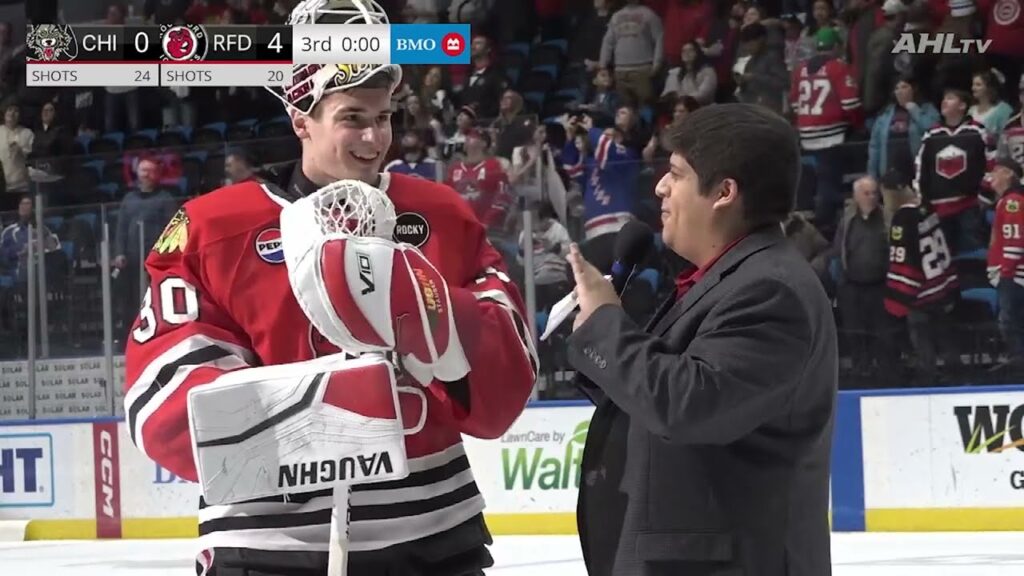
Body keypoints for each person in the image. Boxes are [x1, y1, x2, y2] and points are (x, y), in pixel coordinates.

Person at [122, 2, 538, 575]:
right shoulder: (211, 228)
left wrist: (430, 317)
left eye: (385, 116)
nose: (374, 138)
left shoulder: (440, 213)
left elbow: (505, 387)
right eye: (351, 117)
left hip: (433, 539)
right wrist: (336, 412)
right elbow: (161, 406)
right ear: (301, 119)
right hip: (268, 549)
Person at [564, 103, 836, 576]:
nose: (660, 188)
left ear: (724, 192)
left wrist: (607, 323)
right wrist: (599, 331)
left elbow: (688, 404)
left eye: (676, 173)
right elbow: (658, 394)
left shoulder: (769, 291)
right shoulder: (727, 279)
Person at [881, 170, 959, 386]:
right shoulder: (926, 207)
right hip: (940, 283)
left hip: (920, 290)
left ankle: (927, 379)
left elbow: (904, 259)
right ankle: (956, 374)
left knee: (921, 335)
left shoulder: (902, 218)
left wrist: (898, 294)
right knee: (944, 333)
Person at [986, 158, 1024, 374]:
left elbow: (1015, 239)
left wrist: (1006, 272)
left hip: (1014, 276)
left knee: (1011, 323)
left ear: (1008, 174)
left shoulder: (1012, 201)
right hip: (1014, 274)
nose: (991, 176)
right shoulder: (1010, 200)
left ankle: (1019, 368)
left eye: (996, 171)